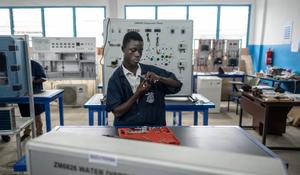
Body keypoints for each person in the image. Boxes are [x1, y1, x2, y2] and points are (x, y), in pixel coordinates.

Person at [106, 31, 182, 126]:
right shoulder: (116, 79)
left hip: (155, 131)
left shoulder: (152, 72)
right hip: (127, 131)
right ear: (123, 49)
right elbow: (117, 112)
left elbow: (177, 85)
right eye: (133, 50)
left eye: (140, 50)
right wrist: (137, 94)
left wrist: (160, 78)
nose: (138, 54)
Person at [19, 59, 46, 141]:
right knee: (25, 116)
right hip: (22, 95)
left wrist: (33, 81)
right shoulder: (16, 64)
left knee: (36, 116)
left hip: (34, 94)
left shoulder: (34, 64)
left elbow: (44, 78)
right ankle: (26, 134)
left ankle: (39, 135)